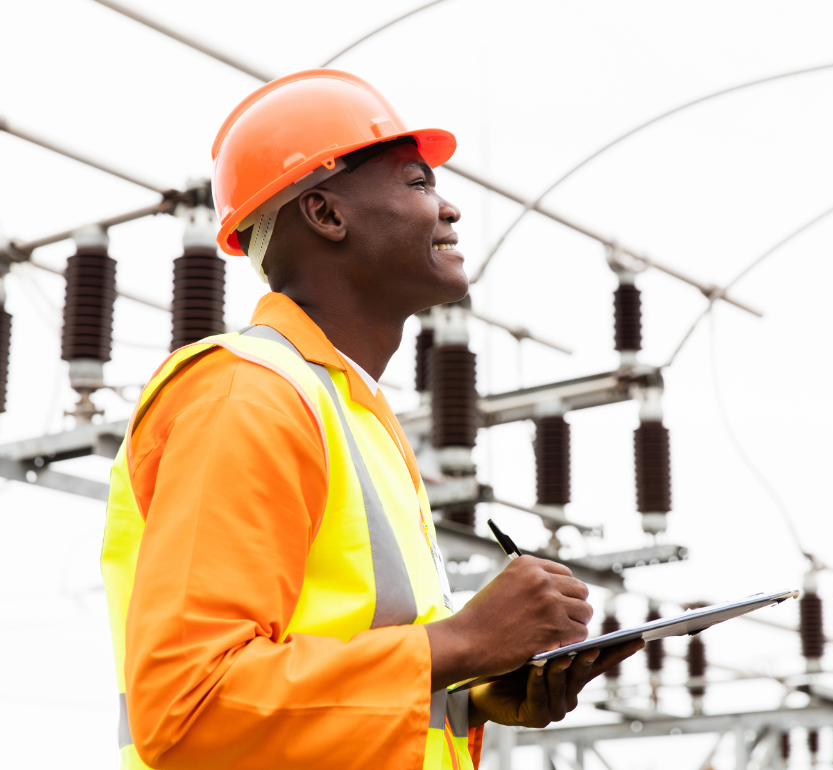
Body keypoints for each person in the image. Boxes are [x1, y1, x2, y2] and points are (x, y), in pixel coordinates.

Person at [100, 70, 642, 770]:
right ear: (326, 215)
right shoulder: (246, 394)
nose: (447, 210)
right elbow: (194, 705)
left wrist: (473, 691)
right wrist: (465, 643)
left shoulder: (352, 413)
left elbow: (335, 673)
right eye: (418, 183)